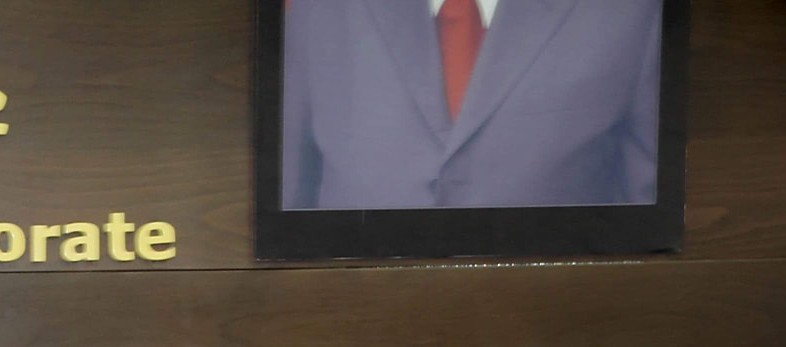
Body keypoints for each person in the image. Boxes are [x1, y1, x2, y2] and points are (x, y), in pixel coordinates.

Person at [281, 0, 661, 210]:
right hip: (350, 317)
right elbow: (288, 192)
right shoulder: (320, 8)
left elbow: (648, 211)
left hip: (551, 316)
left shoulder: (634, 11)